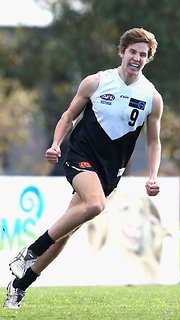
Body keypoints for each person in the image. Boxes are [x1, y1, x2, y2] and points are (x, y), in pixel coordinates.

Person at [3, 27, 163, 309]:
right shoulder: (97, 82)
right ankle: (29, 252)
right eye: (132, 52)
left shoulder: (152, 97)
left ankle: (19, 285)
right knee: (96, 204)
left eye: (143, 54)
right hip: (80, 155)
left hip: (111, 171)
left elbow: (153, 141)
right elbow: (69, 116)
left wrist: (153, 175)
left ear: (148, 59)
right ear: (122, 52)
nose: (136, 58)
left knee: (66, 233)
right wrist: (55, 144)